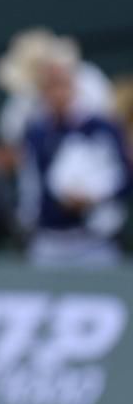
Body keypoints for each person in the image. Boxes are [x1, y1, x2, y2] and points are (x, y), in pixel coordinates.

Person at [15, 44, 132, 267]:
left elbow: (123, 178)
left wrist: (93, 197)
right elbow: (30, 185)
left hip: (94, 243)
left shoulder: (100, 128)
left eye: (62, 84)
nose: (57, 93)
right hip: (48, 243)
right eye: (50, 86)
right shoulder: (36, 132)